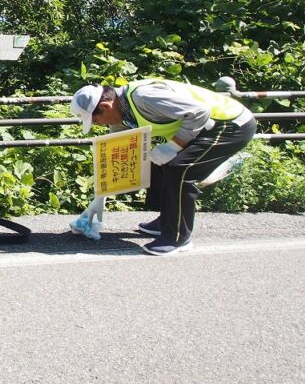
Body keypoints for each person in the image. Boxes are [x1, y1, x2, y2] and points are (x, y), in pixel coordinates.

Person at [71, 78, 257, 256]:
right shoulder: (120, 118)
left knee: (180, 170)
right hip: (203, 127)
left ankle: (177, 238)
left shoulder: (144, 97)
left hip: (230, 124)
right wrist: (100, 198)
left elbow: (199, 113)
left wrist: (173, 146)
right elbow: (121, 159)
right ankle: (166, 222)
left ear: (105, 106)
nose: (98, 125)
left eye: (95, 120)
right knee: (157, 162)